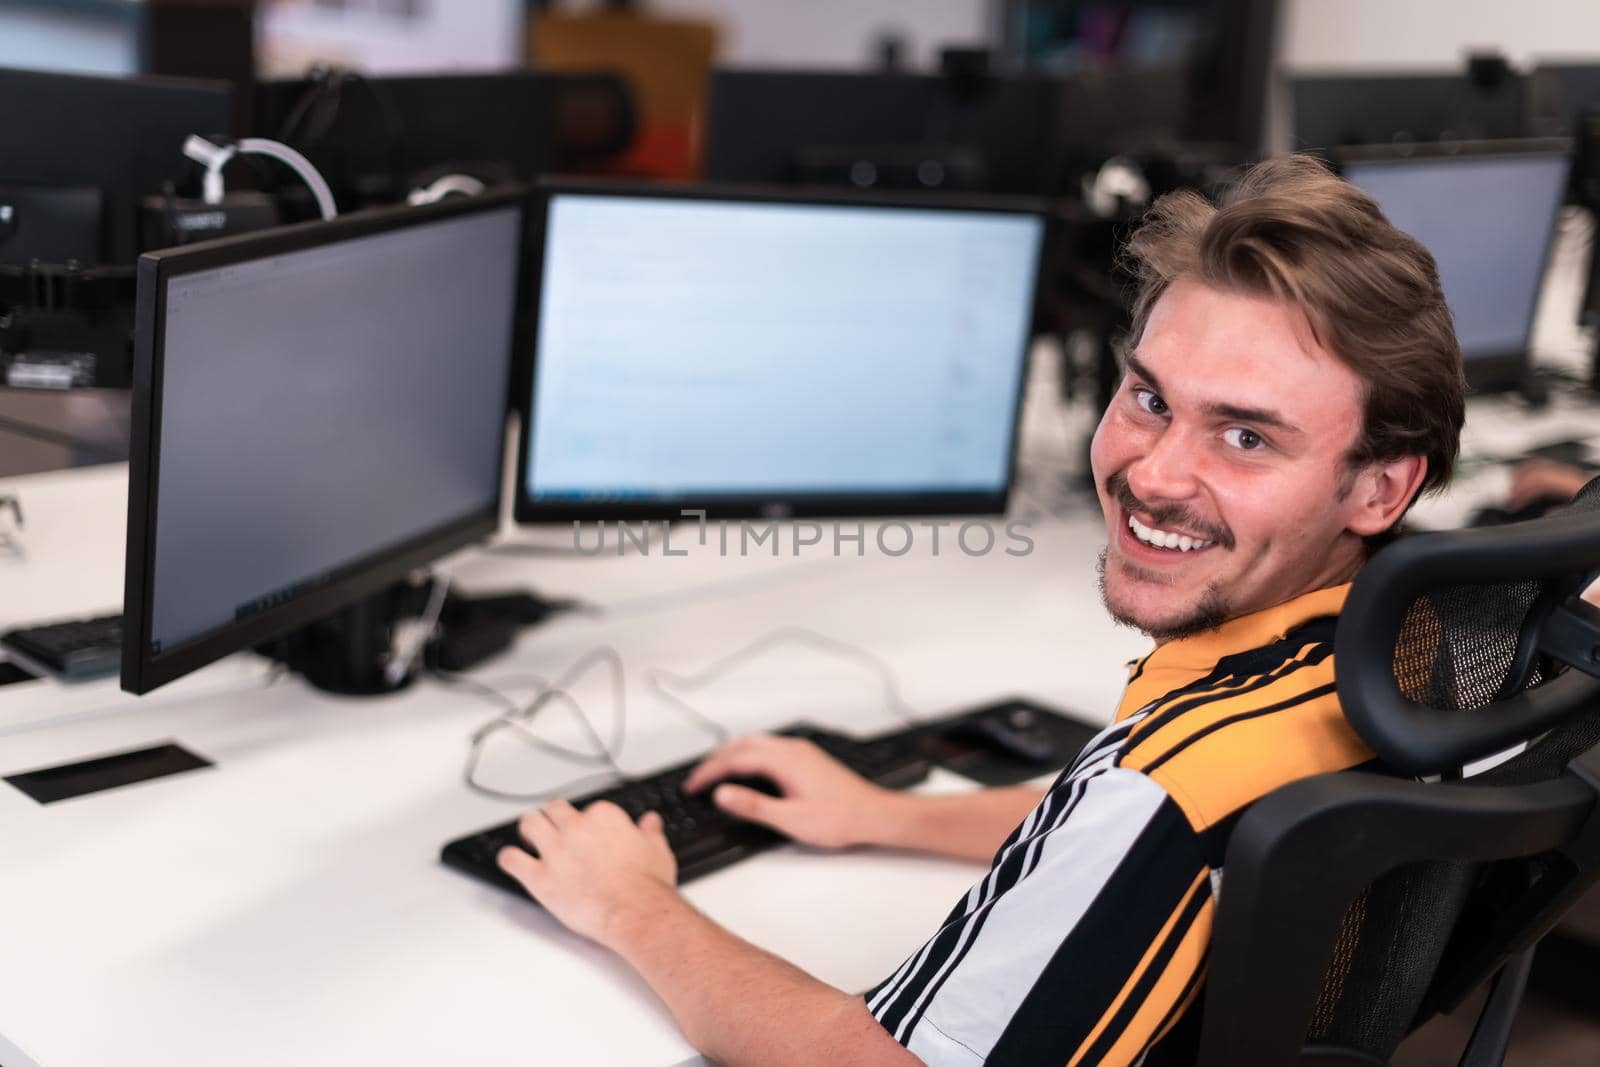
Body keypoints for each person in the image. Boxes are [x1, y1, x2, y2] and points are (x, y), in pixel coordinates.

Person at [492, 155, 1467, 1066]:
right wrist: (887, 813)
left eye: (1246, 436)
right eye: (1148, 397)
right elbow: (1128, 842)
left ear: (1378, 489)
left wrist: (633, 905)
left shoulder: (1166, 781)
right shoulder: (1403, 640)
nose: (1153, 473)